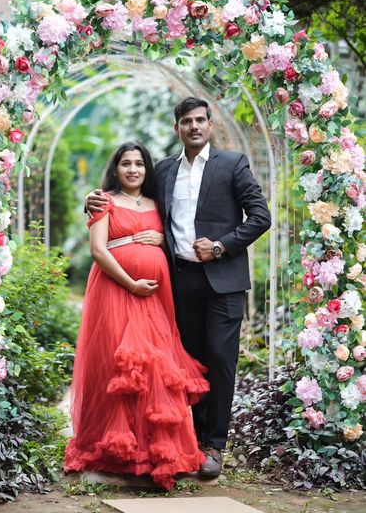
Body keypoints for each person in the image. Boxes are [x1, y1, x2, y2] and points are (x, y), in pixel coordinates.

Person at [85, 97, 271, 478]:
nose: (194, 127)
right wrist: (90, 203)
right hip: (179, 281)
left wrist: (221, 246)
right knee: (189, 362)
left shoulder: (232, 165)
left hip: (223, 281)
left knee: (220, 359)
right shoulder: (166, 170)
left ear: (210, 124)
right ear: (177, 128)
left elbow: (261, 216)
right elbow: (128, 201)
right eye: (187, 121)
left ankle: (213, 445)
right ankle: (190, 440)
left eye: (200, 120)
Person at [65, 141, 210, 491]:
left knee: (156, 368)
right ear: (115, 168)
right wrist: (131, 283)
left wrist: (161, 238)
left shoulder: (159, 204)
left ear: (148, 169)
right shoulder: (104, 201)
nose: (133, 170)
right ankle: (121, 450)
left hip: (155, 296)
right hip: (117, 291)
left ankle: (155, 451)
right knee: (122, 368)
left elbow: (179, 238)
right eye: (126, 163)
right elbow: (98, 250)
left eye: (139, 164)